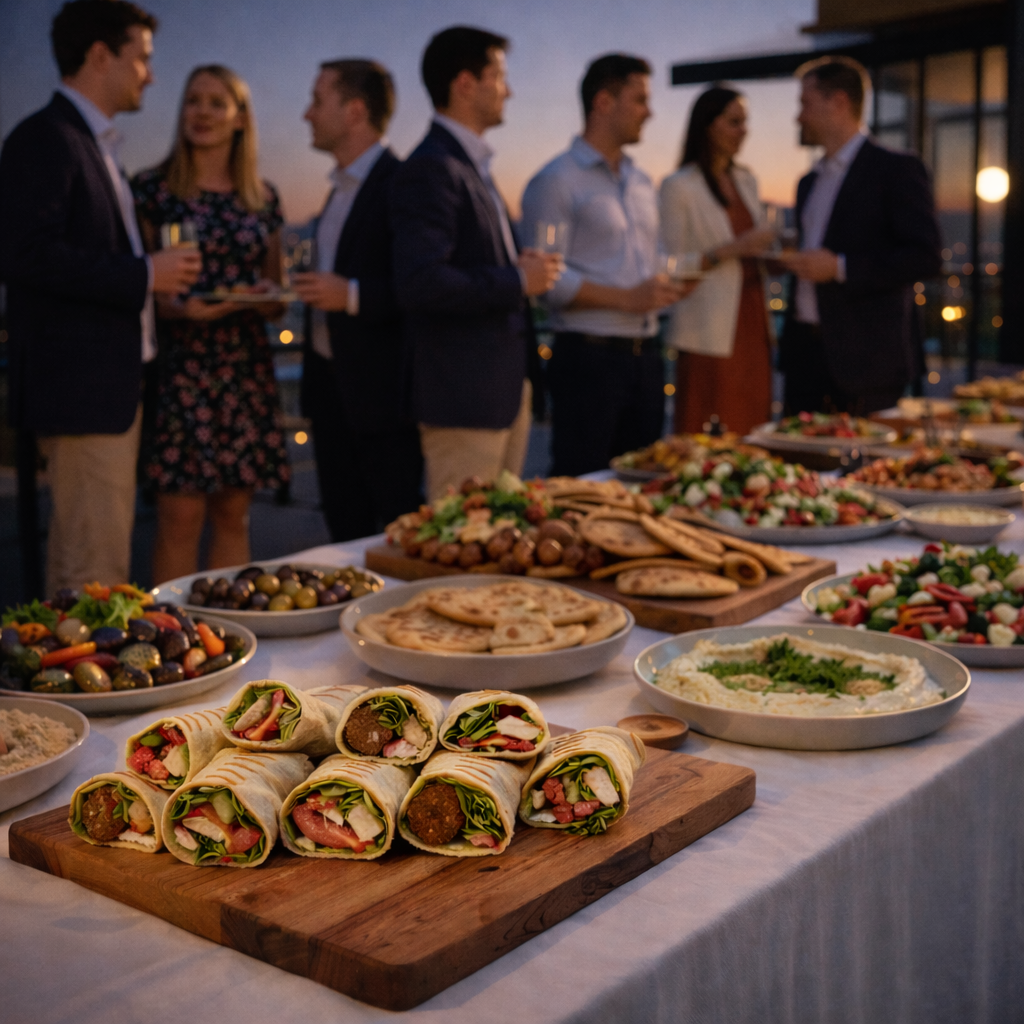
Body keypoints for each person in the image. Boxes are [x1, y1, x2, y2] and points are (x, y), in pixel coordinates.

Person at [0, 0, 201, 595]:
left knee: (93, 558)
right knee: (92, 571)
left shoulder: (91, 143)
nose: (151, 74)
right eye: (141, 59)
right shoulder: (48, 139)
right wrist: (145, 275)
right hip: (82, 394)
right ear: (99, 55)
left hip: (105, 389)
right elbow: (26, 257)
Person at [132, 64, 290, 583]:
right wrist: (181, 307)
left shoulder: (262, 198)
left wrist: (263, 297)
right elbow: (145, 288)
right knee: (178, 516)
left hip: (243, 367)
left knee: (232, 513)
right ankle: (170, 642)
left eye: (215, 102)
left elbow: (277, 298)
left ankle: (229, 633)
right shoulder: (153, 190)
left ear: (240, 117)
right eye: (193, 100)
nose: (201, 111)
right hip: (183, 369)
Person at [390, 26, 561, 500]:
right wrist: (515, 279)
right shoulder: (433, 167)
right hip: (464, 399)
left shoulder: (467, 164)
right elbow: (420, 281)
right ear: (465, 83)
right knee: (460, 541)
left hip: (498, 393)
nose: (509, 90)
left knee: (493, 535)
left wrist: (513, 266)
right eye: (500, 76)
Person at [520, 54, 690, 478]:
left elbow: (652, 259)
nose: (649, 112)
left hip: (648, 361)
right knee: (582, 487)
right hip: (588, 364)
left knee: (643, 488)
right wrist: (627, 299)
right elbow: (544, 280)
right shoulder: (555, 181)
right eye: (640, 99)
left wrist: (672, 283)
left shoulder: (641, 182)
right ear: (603, 102)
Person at [292, 59, 422, 541]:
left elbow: (418, 286)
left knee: (393, 533)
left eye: (317, 100)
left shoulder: (403, 183)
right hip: (331, 393)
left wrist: (347, 294)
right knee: (342, 532)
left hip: (383, 399)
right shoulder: (337, 192)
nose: (307, 114)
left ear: (354, 111)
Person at [778, 56, 942, 415]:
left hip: (867, 364)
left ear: (838, 102)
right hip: (804, 359)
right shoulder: (808, 182)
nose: (798, 116)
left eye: (805, 104)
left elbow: (926, 256)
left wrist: (839, 267)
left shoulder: (896, 169)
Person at [659, 86, 778, 436]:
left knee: (753, 429)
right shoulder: (679, 186)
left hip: (753, 319)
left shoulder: (746, 180)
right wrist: (729, 250)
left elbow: (752, 251)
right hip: (707, 330)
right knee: (708, 432)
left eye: (745, 122)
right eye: (734, 122)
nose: (744, 131)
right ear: (708, 126)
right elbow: (670, 266)